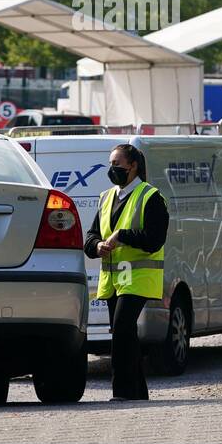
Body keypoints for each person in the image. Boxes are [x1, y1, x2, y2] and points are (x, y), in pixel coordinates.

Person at [83, 143, 169, 401]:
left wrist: (122, 236)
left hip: (139, 278)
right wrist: (97, 245)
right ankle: (138, 393)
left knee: (121, 329)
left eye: (117, 164)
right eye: (110, 164)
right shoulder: (106, 197)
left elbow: (154, 239)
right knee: (125, 334)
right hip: (114, 280)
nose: (112, 169)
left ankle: (121, 392)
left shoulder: (151, 196)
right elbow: (90, 236)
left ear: (133, 166)